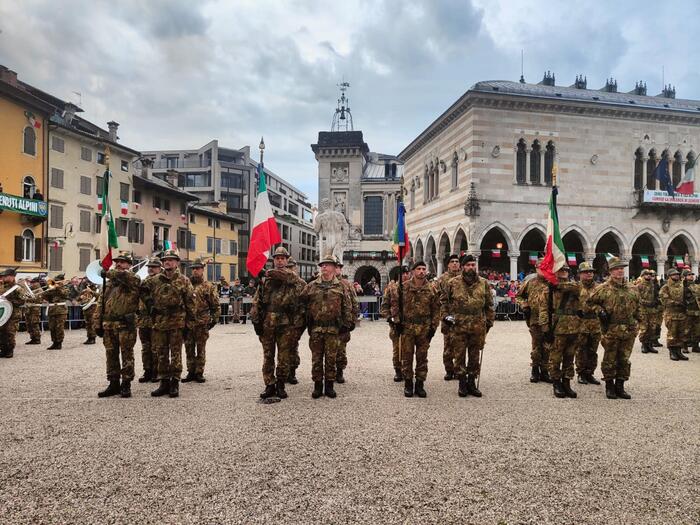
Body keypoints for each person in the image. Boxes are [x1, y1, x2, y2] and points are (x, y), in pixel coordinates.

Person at [250, 247, 304, 400]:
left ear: (287, 260)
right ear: (274, 260)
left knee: (284, 356)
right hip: (268, 322)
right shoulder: (266, 280)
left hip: (285, 323)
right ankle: (269, 384)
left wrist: (266, 272)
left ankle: (280, 384)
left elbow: (287, 277)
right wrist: (256, 321)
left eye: (282, 258)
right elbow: (257, 300)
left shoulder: (292, 277)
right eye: (277, 258)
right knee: (268, 356)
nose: (280, 260)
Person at [299, 254, 354, 399]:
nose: (324, 266)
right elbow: (301, 304)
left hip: (333, 329)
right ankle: (317, 386)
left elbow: (347, 307)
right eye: (322, 264)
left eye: (327, 264)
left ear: (334, 267)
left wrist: (346, 325)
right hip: (316, 328)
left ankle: (329, 386)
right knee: (316, 359)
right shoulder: (311, 286)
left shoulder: (341, 286)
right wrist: (306, 321)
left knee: (331, 359)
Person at [144, 249, 196, 398]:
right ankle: (164, 382)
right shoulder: (154, 280)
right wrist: (149, 304)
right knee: (161, 354)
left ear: (177, 263)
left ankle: (174, 382)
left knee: (175, 354)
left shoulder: (184, 280)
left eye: (171, 259)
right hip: (160, 322)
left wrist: (189, 324)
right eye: (165, 259)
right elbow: (141, 289)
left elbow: (191, 304)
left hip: (177, 322)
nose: (167, 261)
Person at [441, 254, 494, 398]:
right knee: (459, 355)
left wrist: (489, 322)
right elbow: (444, 302)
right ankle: (462, 383)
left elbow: (489, 305)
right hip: (459, 325)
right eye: (468, 265)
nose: (471, 267)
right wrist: (446, 317)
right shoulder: (453, 283)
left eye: (473, 265)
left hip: (477, 325)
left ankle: (472, 381)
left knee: (474, 355)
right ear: (463, 267)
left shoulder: (483, 283)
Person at [586, 257, 640, 399]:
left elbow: (639, 308)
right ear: (610, 271)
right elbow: (589, 303)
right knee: (610, 358)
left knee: (624, 359)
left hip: (629, 329)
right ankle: (609, 385)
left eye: (622, 268)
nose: (620, 271)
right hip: (611, 329)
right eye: (617, 269)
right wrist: (599, 311)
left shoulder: (632, 288)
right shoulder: (602, 289)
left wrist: (638, 325)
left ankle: (620, 385)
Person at [388, 261, 439, 398]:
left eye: (423, 269)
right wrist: (396, 323)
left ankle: (420, 384)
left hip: (424, 328)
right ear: (413, 271)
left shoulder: (432, 289)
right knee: (407, 357)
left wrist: (433, 327)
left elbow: (436, 310)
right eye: (418, 269)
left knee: (422, 357)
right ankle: (408, 384)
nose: (421, 271)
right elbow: (395, 306)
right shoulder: (403, 287)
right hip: (408, 328)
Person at [94, 252, 141, 398]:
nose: (119, 264)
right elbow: (100, 303)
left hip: (125, 324)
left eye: (123, 262)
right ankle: (113, 383)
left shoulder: (133, 279)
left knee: (126, 354)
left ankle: (126, 383)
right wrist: (97, 323)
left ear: (129, 265)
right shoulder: (108, 284)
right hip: (109, 324)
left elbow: (124, 277)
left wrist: (108, 271)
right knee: (111, 355)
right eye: (117, 262)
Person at [540, 265, 580, 398]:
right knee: (555, 357)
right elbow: (543, 310)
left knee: (569, 357)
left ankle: (567, 382)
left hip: (573, 327)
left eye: (566, 270)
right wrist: (545, 329)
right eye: (560, 270)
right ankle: (556, 383)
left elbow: (580, 290)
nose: (563, 272)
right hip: (556, 328)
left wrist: (558, 286)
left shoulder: (574, 286)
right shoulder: (548, 290)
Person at [183, 258, 220, 383]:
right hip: (188, 322)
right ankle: (190, 371)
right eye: (193, 268)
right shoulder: (186, 284)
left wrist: (213, 320)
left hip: (202, 322)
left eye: (197, 268)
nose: (195, 271)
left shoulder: (208, 286)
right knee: (188, 348)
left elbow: (215, 305)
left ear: (202, 270)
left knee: (200, 348)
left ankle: (199, 372)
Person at [516, 260, 552, 383]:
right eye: (541, 267)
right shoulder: (530, 282)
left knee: (548, 346)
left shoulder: (552, 283)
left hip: (549, 319)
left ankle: (545, 370)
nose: (543, 270)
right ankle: (535, 369)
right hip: (534, 319)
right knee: (536, 345)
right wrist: (524, 305)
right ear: (536, 268)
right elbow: (518, 296)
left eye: (546, 267)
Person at [434, 254, 461, 380]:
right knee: (448, 346)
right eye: (452, 261)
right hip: (448, 317)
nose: (455, 263)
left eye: (457, 261)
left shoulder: (464, 278)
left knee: (461, 346)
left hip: (462, 318)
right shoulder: (442, 279)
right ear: (448, 264)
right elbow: (436, 297)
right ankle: (449, 370)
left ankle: (459, 369)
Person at [379, 267, 410, 382]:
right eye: (403, 273)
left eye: (407, 273)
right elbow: (384, 307)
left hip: (409, 325)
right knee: (397, 350)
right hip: (396, 325)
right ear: (399, 276)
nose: (406, 275)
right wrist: (389, 318)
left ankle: (407, 370)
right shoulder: (391, 289)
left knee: (408, 350)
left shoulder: (411, 288)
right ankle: (397, 370)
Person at [575, 262, 602, 385]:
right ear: (580, 274)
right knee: (581, 349)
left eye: (591, 271)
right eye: (586, 272)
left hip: (595, 322)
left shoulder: (599, 287)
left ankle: (589, 373)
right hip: (581, 322)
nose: (589, 273)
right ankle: (581, 373)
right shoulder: (575, 287)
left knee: (593, 350)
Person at [137, 257, 162, 383]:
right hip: (143, 320)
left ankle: (156, 372)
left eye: (154, 266)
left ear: (159, 268)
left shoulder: (162, 282)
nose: (150, 269)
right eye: (149, 267)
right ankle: (147, 370)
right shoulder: (143, 281)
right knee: (145, 347)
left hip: (156, 319)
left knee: (156, 347)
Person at [334, 258, 359, 384]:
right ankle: (329, 372)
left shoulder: (347, 284)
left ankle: (339, 371)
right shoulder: (323, 283)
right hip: (329, 324)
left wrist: (352, 321)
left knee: (341, 350)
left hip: (343, 324)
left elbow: (354, 304)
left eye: (338, 267)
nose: (336, 269)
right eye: (334, 266)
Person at [285, 257, 307, 385]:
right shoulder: (279, 282)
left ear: (296, 268)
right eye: (287, 267)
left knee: (292, 347)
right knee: (282, 348)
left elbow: (306, 305)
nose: (289, 270)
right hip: (281, 322)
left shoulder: (302, 284)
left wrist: (302, 322)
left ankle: (292, 372)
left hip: (296, 322)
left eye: (291, 267)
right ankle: (283, 372)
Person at [659, 268, 688, 361]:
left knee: (681, 333)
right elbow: (664, 299)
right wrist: (675, 303)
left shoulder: (682, 286)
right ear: (670, 276)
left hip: (681, 314)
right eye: (674, 274)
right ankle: (672, 352)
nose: (677, 276)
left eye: (677, 274)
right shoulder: (666, 287)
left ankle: (679, 351)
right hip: (671, 314)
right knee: (672, 333)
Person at [0, 268, 26, 358]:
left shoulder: (17, 288)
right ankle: (3, 350)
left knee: (10, 332)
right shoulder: (3, 287)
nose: (3, 278)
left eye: (5, 276)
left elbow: (23, 301)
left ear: (11, 277)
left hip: (14, 313)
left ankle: (10, 350)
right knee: (1, 332)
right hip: (3, 313)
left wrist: (10, 301)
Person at [635, 269, 660, 354]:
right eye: (646, 274)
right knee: (644, 328)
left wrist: (656, 301)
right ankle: (644, 344)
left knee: (652, 327)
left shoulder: (653, 285)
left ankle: (650, 345)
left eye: (650, 274)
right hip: (643, 309)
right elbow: (637, 298)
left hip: (652, 310)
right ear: (642, 275)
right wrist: (647, 303)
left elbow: (657, 295)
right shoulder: (639, 285)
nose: (648, 275)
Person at [43, 274, 68, 350]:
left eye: (57, 280)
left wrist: (58, 288)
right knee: (52, 327)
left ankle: (59, 343)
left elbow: (65, 295)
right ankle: (54, 342)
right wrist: (48, 289)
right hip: (52, 310)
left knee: (59, 327)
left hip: (61, 310)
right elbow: (45, 296)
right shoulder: (52, 288)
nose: (56, 282)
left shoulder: (65, 287)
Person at [682, 269, 699, 353]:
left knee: (697, 329)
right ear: (684, 277)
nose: (691, 276)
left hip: (697, 311)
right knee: (686, 329)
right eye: (689, 275)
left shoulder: (696, 285)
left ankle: (695, 346)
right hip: (687, 311)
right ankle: (684, 346)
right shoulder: (682, 286)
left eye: (692, 274)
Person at [24, 278, 43, 344]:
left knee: (34, 323)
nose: (32, 284)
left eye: (33, 282)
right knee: (29, 324)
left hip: (35, 309)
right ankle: (32, 338)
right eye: (31, 283)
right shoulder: (31, 290)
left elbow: (37, 299)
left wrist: (27, 298)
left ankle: (37, 339)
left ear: (37, 283)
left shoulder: (39, 290)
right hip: (29, 308)